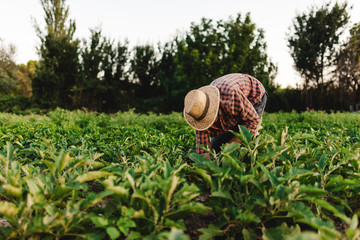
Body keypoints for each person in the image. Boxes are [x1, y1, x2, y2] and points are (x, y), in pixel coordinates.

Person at [183, 73, 267, 159]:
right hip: (233, 107)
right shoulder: (197, 113)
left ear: (215, 108)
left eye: (209, 118)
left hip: (254, 96)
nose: (208, 123)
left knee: (244, 142)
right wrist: (205, 166)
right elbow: (203, 151)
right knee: (216, 148)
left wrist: (229, 147)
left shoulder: (230, 96)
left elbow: (252, 121)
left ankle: (257, 135)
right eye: (205, 121)